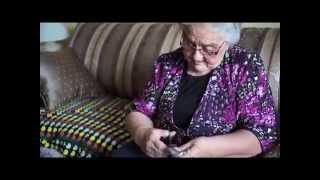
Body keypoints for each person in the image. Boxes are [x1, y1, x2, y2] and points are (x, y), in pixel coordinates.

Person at [111, 23, 279, 158]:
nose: (196, 57)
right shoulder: (166, 64)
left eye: (209, 49)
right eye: (190, 43)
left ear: (227, 43)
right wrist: (142, 135)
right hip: (163, 151)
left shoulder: (245, 66)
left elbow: (263, 135)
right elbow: (139, 111)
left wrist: (208, 149)